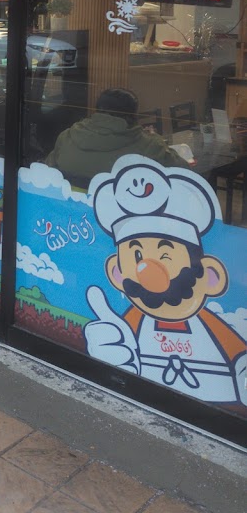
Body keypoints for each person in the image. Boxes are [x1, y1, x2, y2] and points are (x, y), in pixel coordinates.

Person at [84, 157, 247, 405]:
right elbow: (122, 342)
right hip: (144, 386)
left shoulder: (210, 324)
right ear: (117, 273)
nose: (148, 271)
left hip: (216, 400)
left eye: (165, 255)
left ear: (210, 275)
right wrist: (114, 355)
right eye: (137, 256)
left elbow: (237, 355)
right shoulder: (132, 322)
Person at [45, 87, 186, 183]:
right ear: (132, 115)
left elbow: (46, 171)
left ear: (97, 110)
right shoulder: (151, 146)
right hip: (123, 216)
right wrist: (155, 138)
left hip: (71, 212)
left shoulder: (67, 137)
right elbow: (184, 174)